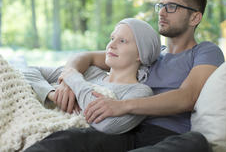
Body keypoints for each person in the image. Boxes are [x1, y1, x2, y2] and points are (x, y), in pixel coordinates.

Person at [25, 0, 225, 152]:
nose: (162, 13)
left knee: (196, 143)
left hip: (166, 134)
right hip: (125, 130)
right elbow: (86, 57)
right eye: (161, 5)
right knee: (69, 139)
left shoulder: (205, 51)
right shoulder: (149, 54)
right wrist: (67, 80)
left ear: (195, 17)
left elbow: (187, 97)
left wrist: (122, 106)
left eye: (172, 6)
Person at [22, 18, 160, 135]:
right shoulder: (90, 72)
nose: (111, 45)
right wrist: (53, 94)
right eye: (112, 38)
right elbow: (27, 71)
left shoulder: (139, 92)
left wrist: (75, 81)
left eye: (122, 41)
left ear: (141, 54)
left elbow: (108, 126)